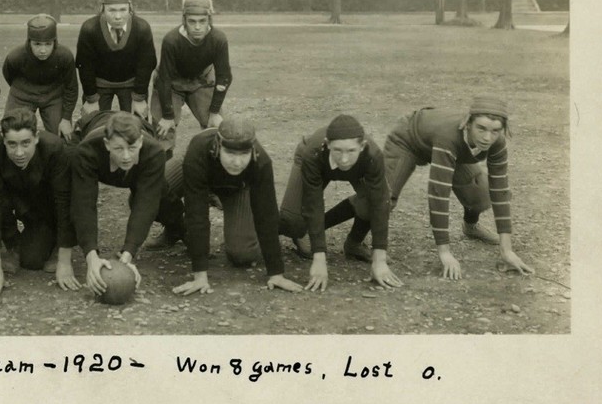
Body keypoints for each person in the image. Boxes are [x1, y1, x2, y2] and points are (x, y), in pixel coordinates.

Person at [383, 96, 534, 280]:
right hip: (408, 140)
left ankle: (470, 227)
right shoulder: (449, 136)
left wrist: (507, 250)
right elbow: (439, 193)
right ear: (468, 123)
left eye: (495, 131)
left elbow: (500, 189)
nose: (488, 138)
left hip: (447, 147)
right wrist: (445, 253)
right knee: (381, 200)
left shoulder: (497, 142)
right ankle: (354, 242)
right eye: (481, 128)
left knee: (481, 192)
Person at [172, 116, 303, 296]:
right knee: (157, 192)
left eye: (243, 154)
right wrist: (200, 276)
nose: (237, 162)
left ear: (252, 151)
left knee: (243, 254)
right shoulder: (199, 149)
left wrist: (276, 273)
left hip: (235, 188)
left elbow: (266, 214)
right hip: (196, 168)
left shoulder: (261, 162)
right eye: (231, 153)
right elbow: (197, 214)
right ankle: (175, 228)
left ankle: (283, 225)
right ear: (218, 146)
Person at [278, 114, 403, 293]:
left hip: (357, 170)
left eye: (351, 151)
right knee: (293, 222)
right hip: (316, 163)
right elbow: (313, 203)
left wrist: (379, 259)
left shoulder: (373, 155)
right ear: (328, 144)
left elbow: (380, 203)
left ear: (362, 147)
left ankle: (353, 243)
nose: (344, 159)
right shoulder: (312, 153)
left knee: (375, 203)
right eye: (337, 150)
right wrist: (319, 257)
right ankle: (293, 231)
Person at [70, 111, 184, 294]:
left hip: (144, 163)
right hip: (92, 126)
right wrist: (91, 256)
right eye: (118, 149)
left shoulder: (154, 152)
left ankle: (177, 227)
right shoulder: (86, 151)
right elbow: (84, 203)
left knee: (160, 196)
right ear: (107, 145)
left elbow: (146, 204)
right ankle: (60, 243)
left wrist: (128, 253)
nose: (125, 156)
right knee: (69, 193)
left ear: (140, 141)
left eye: (131, 148)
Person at [0, 109, 78, 295]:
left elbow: (65, 203)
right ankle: (13, 244)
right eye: (12, 144)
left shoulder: (55, 149)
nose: (19, 152)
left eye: (26, 143)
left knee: (33, 260)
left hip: (47, 207)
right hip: (16, 201)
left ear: (36, 137)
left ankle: (55, 243)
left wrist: (64, 260)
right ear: (3, 139)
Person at [151, 0, 232, 153]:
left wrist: (214, 111)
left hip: (201, 80)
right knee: (163, 132)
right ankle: (162, 172)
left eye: (202, 21)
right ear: (184, 20)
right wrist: (168, 116)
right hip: (172, 83)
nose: (197, 27)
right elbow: (164, 79)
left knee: (216, 129)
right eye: (192, 21)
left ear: (210, 19)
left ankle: (211, 170)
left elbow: (224, 76)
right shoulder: (172, 40)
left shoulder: (218, 39)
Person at [75, 0, 157, 117]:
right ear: (102, 8)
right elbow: (85, 66)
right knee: (93, 124)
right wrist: (91, 99)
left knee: (136, 125)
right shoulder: (90, 28)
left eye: (123, 10)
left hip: (131, 83)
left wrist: (139, 98)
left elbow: (146, 64)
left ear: (130, 7)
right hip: (100, 84)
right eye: (112, 10)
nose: (118, 16)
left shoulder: (141, 28)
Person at [1, 14, 79, 140]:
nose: (43, 50)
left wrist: (65, 118)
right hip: (22, 95)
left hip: (53, 96)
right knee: (13, 132)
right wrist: (23, 91)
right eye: (37, 44)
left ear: (55, 42)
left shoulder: (64, 56)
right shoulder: (16, 56)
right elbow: (9, 75)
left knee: (62, 137)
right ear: (29, 42)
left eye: (48, 44)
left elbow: (71, 88)